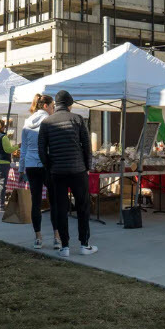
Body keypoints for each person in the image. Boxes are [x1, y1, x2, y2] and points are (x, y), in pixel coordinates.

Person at [39, 90, 97, 257]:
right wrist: (87, 166)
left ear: (56, 105)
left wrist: (49, 166)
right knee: (82, 207)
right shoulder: (77, 119)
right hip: (78, 170)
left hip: (57, 172)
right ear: (70, 105)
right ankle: (84, 244)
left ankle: (64, 246)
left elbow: (42, 150)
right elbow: (87, 146)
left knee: (60, 208)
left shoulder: (47, 122)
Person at [20, 94, 61, 250]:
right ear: (46, 106)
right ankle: (57, 237)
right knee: (54, 201)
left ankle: (38, 237)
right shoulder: (50, 121)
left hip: (31, 164)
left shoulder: (27, 122)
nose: (53, 109)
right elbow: (53, 146)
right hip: (47, 163)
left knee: (35, 201)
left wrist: (21, 168)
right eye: (52, 106)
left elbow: (23, 148)